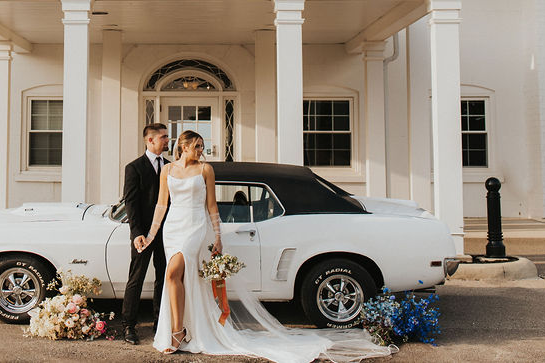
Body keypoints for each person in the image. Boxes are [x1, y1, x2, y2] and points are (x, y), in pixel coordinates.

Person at [136, 130, 393, 362]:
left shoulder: (205, 170)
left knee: (173, 272)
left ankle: (179, 332)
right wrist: (150, 235)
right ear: (184, 147)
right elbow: (161, 205)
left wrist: (218, 235)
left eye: (203, 146)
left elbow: (212, 205)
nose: (201, 151)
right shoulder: (168, 171)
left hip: (195, 227)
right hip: (172, 228)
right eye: (197, 146)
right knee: (176, 277)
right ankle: (177, 329)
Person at [121, 122, 170, 345]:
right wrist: (136, 233)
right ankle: (128, 326)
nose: (167, 141)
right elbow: (130, 203)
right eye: (164, 137)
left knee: (164, 278)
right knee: (136, 277)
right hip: (143, 234)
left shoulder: (170, 166)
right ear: (150, 140)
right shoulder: (134, 168)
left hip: (166, 232)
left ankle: (160, 323)